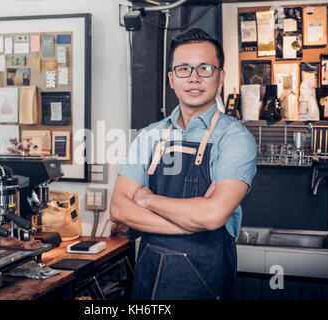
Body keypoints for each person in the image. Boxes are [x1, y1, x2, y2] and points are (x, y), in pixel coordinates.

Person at [110, 28, 257, 300]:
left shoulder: (235, 139)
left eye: (205, 68)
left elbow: (213, 215)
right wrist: (192, 222)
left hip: (204, 285)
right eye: (184, 69)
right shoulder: (149, 135)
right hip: (147, 283)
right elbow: (119, 208)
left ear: (220, 77)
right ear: (171, 79)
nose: (194, 78)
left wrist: (147, 199)